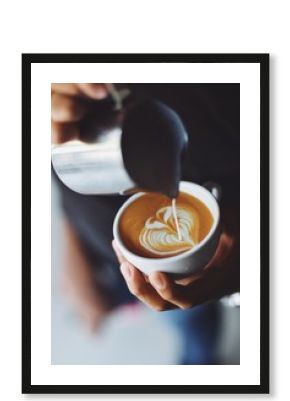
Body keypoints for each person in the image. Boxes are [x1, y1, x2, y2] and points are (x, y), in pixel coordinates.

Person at [52, 83, 240, 364]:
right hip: (113, 261)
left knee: (193, 326)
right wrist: (74, 243)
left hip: (225, 262)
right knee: (182, 323)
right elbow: (58, 154)